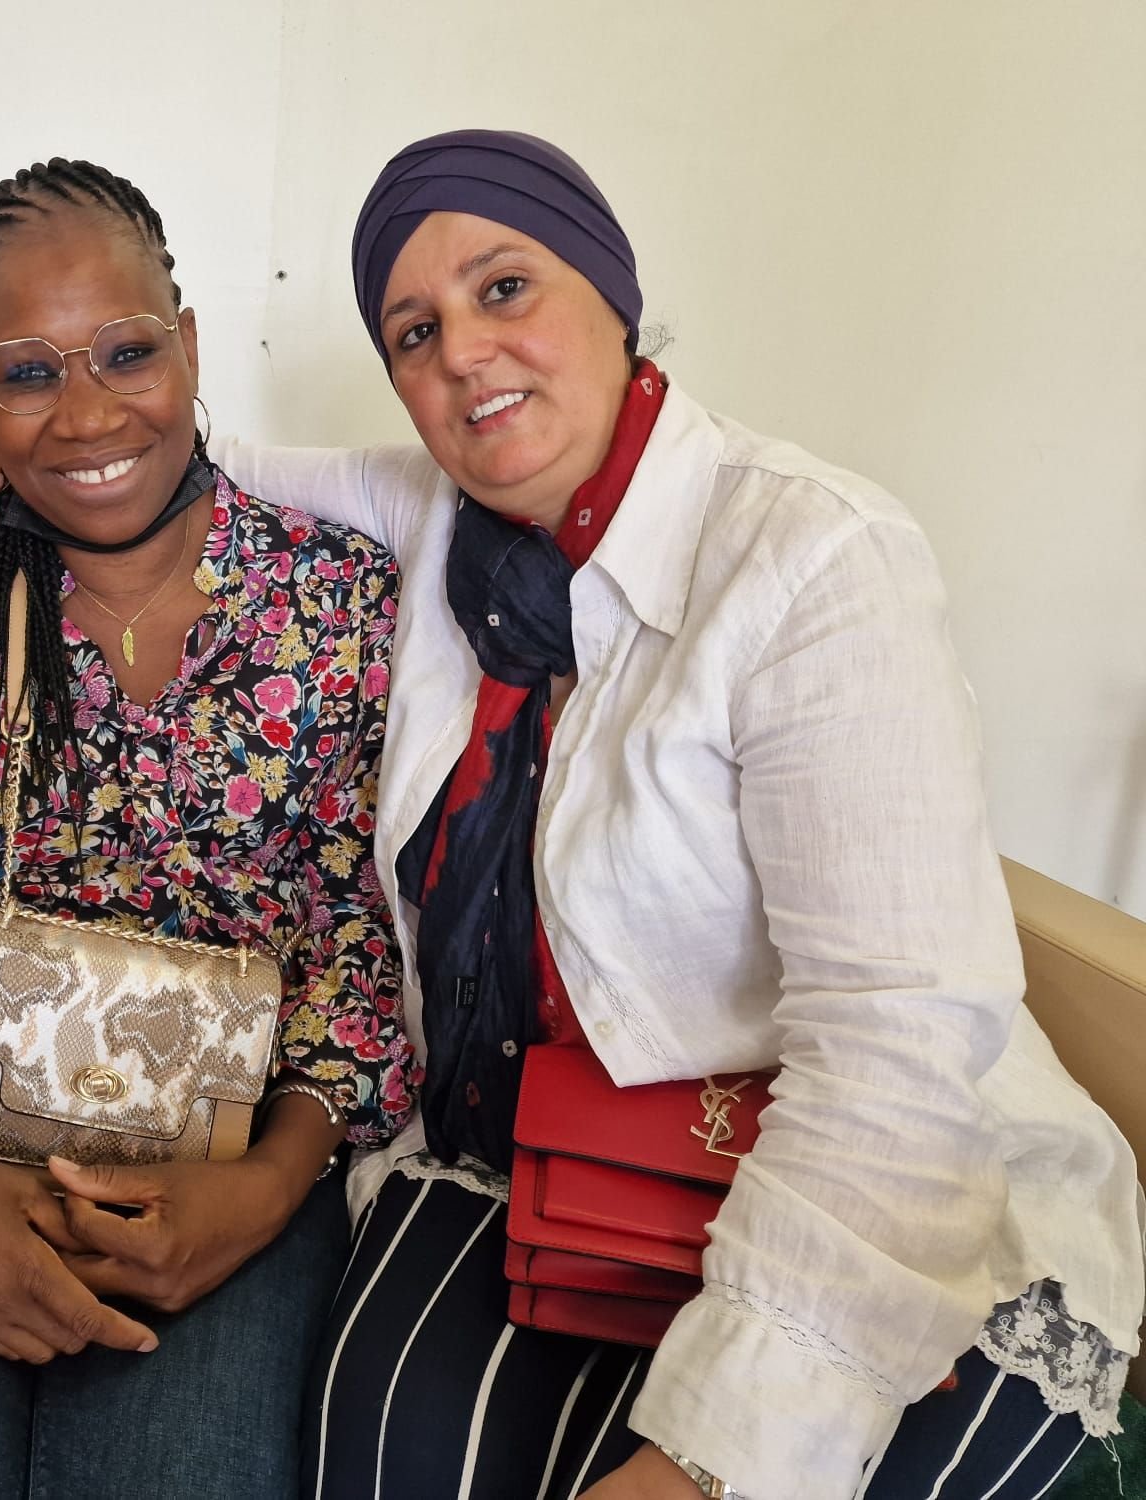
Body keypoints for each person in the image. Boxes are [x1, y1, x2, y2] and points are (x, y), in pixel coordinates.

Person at [218, 130, 1142, 1500]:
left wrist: (709, 1463)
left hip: (853, 1170)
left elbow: (894, 1044)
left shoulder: (814, 557)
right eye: (415, 331)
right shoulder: (434, 515)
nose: (464, 351)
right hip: (545, 1142)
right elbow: (180, 454)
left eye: (506, 287)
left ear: (610, 286)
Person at [0, 159, 417, 1499]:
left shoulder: (338, 600)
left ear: (188, 346)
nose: (87, 415)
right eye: (27, 372)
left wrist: (270, 1190)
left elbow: (361, 932)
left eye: (127, 353)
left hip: (225, 1171)